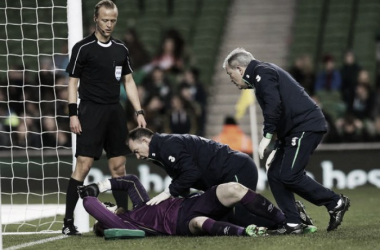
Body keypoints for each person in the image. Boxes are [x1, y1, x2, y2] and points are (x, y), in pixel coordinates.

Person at [222, 48, 350, 234]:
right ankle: (293, 223)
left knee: (290, 175)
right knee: (274, 174)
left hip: (305, 126)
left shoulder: (262, 73)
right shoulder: (262, 73)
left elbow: (274, 106)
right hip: (294, 130)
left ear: (240, 69)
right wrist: (279, 146)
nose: (230, 79)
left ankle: (335, 202)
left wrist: (267, 137)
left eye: (230, 73)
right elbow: (283, 111)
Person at [64, 0, 147, 235]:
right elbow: (72, 83)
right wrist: (73, 114)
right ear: (95, 19)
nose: (109, 25)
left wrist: (138, 111)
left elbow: (129, 81)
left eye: (113, 21)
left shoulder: (121, 48)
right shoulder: (83, 48)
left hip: (114, 111)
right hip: (90, 111)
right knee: (84, 165)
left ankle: (123, 216)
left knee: (119, 167)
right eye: (105, 20)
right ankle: (68, 222)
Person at [127, 127, 313, 230]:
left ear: (145, 141)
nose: (137, 156)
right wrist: (176, 205)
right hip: (224, 174)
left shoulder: (168, 146)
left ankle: (291, 219)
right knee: (226, 219)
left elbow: (191, 174)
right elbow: (182, 178)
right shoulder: (161, 151)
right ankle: (292, 215)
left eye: (136, 151)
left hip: (236, 168)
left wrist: (168, 193)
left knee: (242, 218)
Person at [78, 174, 290, 237]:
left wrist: (98, 186)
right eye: (105, 207)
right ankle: (246, 233)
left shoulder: (141, 206)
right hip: (179, 223)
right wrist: (88, 196)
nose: (106, 204)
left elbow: (131, 181)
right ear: (106, 222)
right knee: (199, 223)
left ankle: (288, 221)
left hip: (189, 202)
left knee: (234, 188)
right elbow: (90, 203)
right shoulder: (126, 225)